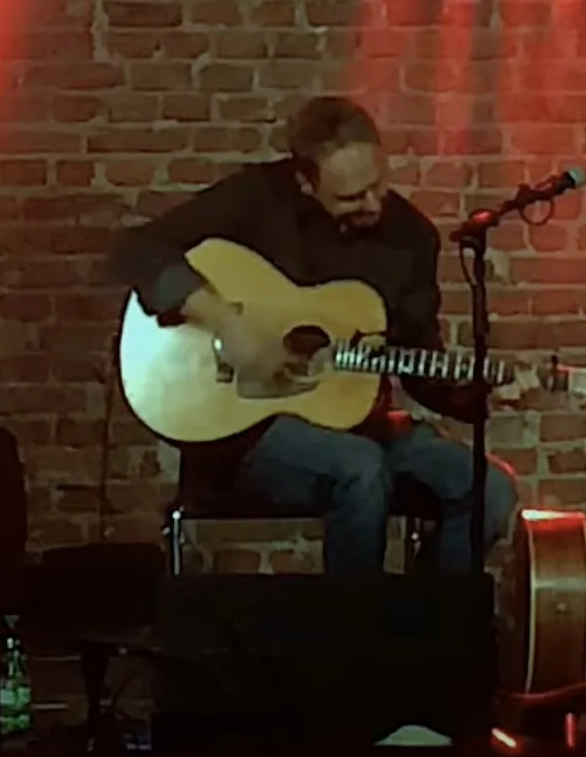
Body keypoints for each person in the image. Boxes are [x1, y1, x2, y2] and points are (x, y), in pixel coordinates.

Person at [108, 96, 523, 574]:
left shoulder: (411, 238)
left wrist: (481, 394)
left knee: (491, 490)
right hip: (249, 434)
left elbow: (421, 368)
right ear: (306, 183)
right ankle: (345, 623)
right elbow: (134, 249)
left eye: (377, 185)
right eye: (351, 197)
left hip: (362, 424)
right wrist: (226, 321)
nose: (373, 204)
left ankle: (420, 614)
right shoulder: (259, 198)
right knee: (360, 467)